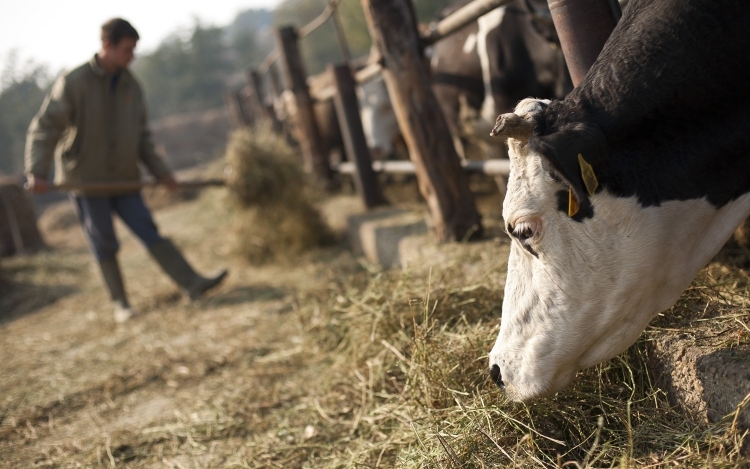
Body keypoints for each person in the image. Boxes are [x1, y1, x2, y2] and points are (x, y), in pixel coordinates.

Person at [25, 18, 228, 323]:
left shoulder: (131, 84)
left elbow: (142, 136)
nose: (132, 56)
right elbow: (45, 128)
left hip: (124, 177)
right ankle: (121, 304)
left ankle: (192, 283)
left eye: (134, 50)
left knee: (148, 230)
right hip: (87, 180)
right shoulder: (74, 82)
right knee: (103, 240)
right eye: (127, 49)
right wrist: (36, 171)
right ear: (107, 45)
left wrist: (162, 174)